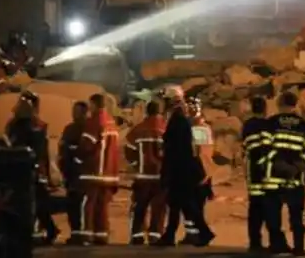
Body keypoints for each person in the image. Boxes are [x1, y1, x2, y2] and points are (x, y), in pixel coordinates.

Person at [264, 91, 305, 256]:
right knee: (296, 216)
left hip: (274, 177)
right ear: (295, 105)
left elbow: (265, 147)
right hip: (296, 178)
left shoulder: (271, 122)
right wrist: (298, 165)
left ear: (280, 105)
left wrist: (277, 162)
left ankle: (277, 245)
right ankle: (299, 248)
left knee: (274, 214)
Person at [158, 94, 214, 246]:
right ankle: (170, 236)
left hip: (180, 172)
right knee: (177, 205)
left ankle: (203, 232)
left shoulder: (178, 123)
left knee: (184, 205)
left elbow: (174, 150)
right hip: (186, 171)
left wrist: (166, 173)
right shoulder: (185, 123)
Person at [5, 91, 58, 244]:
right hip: (25, 169)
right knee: (36, 202)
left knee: (35, 202)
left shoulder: (33, 127)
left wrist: (43, 172)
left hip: (28, 170)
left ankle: (39, 230)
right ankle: (45, 229)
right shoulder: (26, 126)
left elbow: (39, 150)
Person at [79, 93, 120, 246]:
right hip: (109, 173)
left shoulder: (94, 122)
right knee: (102, 206)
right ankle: (101, 235)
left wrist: (77, 159)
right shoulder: (111, 122)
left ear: (95, 105)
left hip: (93, 172)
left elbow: (86, 146)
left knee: (88, 204)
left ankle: (87, 235)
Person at [125, 100, 167, 245]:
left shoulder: (138, 129)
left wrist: (136, 164)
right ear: (160, 112)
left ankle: (137, 235)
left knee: (140, 207)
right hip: (161, 176)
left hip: (143, 176)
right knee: (159, 208)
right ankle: (155, 235)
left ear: (147, 112)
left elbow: (129, 149)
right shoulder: (166, 129)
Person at [242, 95, 273, 251]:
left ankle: (255, 243)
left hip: (253, 172)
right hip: (267, 173)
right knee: (270, 209)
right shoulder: (268, 125)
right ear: (265, 109)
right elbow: (268, 148)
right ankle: (274, 242)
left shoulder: (247, 126)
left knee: (254, 210)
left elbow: (246, 148)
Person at [185, 97, 216, 242]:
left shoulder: (198, 128)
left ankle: (201, 234)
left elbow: (198, 153)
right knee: (193, 206)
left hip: (198, 173)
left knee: (193, 205)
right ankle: (193, 234)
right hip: (203, 172)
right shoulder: (203, 127)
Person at [59, 100, 89, 244]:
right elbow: (63, 150)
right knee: (73, 205)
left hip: (81, 173)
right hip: (71, 172)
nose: (74, 114)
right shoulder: (69, 128)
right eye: (74, 111)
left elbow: (83, 151)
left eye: (77, 111)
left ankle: (80, 233)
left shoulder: (86, 129)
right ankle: (76, 232)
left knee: (79, 204)